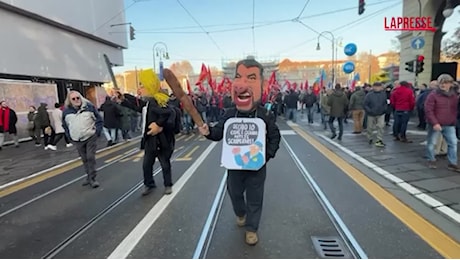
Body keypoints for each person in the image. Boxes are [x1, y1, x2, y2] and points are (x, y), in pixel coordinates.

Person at [198, 58, 281, 246]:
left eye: (251, 78)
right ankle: (240, 212)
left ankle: (252, 229)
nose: (243, 84)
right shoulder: (229, 114)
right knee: (234, 193)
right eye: (238, 77)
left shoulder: (265, 115)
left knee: (255, 197)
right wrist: (208, 131)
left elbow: (275, 138)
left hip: (256, 166)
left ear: (261, 84)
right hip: (235, 165)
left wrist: (265, 156)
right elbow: (219, 132)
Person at [120, 70, 176, 196]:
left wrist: (159, 125)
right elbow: (139, 107)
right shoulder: (150, 102)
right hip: (151, 140)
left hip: (162, 140)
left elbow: (169, 114)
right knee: (147, 165)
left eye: (142, 85)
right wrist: (124, 99)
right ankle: (149, 184)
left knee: (164, 164)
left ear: (149, 86)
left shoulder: (159, 101)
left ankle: (167, 185)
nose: (140, 88)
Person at [62, 90, 103, 188]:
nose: (76, 100)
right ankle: (88, 176)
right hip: (77, 139)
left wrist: (97, 132)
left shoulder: (89, 107)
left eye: (78, 97)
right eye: (74, 99)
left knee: (90, 157)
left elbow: (99, 120)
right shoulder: (66, 112)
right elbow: (65, 125)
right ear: (70, 101)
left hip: (90, 136)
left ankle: (92, 178)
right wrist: (70, 137)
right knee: (84, 159)